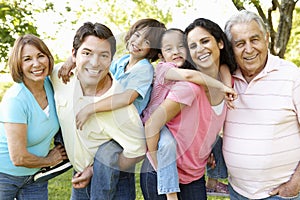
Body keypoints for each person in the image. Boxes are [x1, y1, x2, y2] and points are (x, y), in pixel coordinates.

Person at [140, 18, 237, 199]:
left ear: (221, 43)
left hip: (194, 174)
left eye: (205, 41)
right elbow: (151, 126)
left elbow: (224, 66)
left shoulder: (228, 79)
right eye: (193, 45)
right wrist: (157, 165)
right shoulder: (187, 87)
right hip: (161, 171)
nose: (200, 49)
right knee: (167, 143)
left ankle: (214, 181)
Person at [50, 22, 147, 200]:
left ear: (111, 59)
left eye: (103, 55)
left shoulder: (120, 107)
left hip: (116, 183)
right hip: (79, 176)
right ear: (74, 54)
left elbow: (139, 151)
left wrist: (95, 169)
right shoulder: (61, 77)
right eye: (87, 53)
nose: (95, 63)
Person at [223, 10, 300, 200]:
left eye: (254, 39)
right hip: (238, 192)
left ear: (266, 39)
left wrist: (295, 183)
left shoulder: (292, 75)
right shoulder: (225, 80)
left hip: (281, 194)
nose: (248, 49)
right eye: (240, 44)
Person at [0, 34, 67, 199]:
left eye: (40, 56)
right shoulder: (16, 100)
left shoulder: (52, 86)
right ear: (19, 65)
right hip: (4, 176)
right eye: (27, 59)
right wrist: (49, 160)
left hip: (35, 177)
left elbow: (78, 63)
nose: (36, 64)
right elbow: (18, 158)